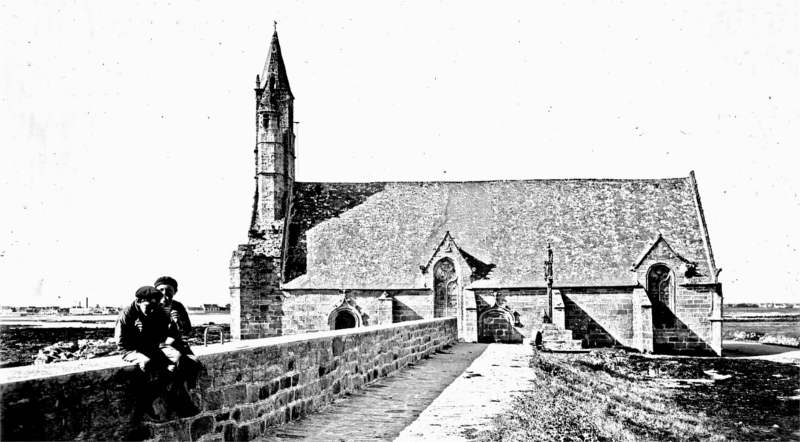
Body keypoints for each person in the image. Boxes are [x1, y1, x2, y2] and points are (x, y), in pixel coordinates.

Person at [115, 286, 177, 421]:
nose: (152, 310)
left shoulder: (156, 309)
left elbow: (161, 337)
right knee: (147, 363)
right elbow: (121, 343)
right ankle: (144, 405)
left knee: (172, 368)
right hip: (129, 349)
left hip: (150, 347)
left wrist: (169, 324)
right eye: (148, 307)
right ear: (139, 301)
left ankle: (148, 400)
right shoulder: (128, 313)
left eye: (155, 306)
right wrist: (136, 333)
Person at [154, 276, 201, 414]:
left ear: (175, 292)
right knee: (180, 361)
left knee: (195, 362)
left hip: (177, 343)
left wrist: (179, 322)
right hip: (160, 345)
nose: (164, 293)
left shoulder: (178, 306)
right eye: (161, 290)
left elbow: (187, 330)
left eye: (168, 290)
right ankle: (185, 403)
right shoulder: (152, 306)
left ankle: (179, 393)